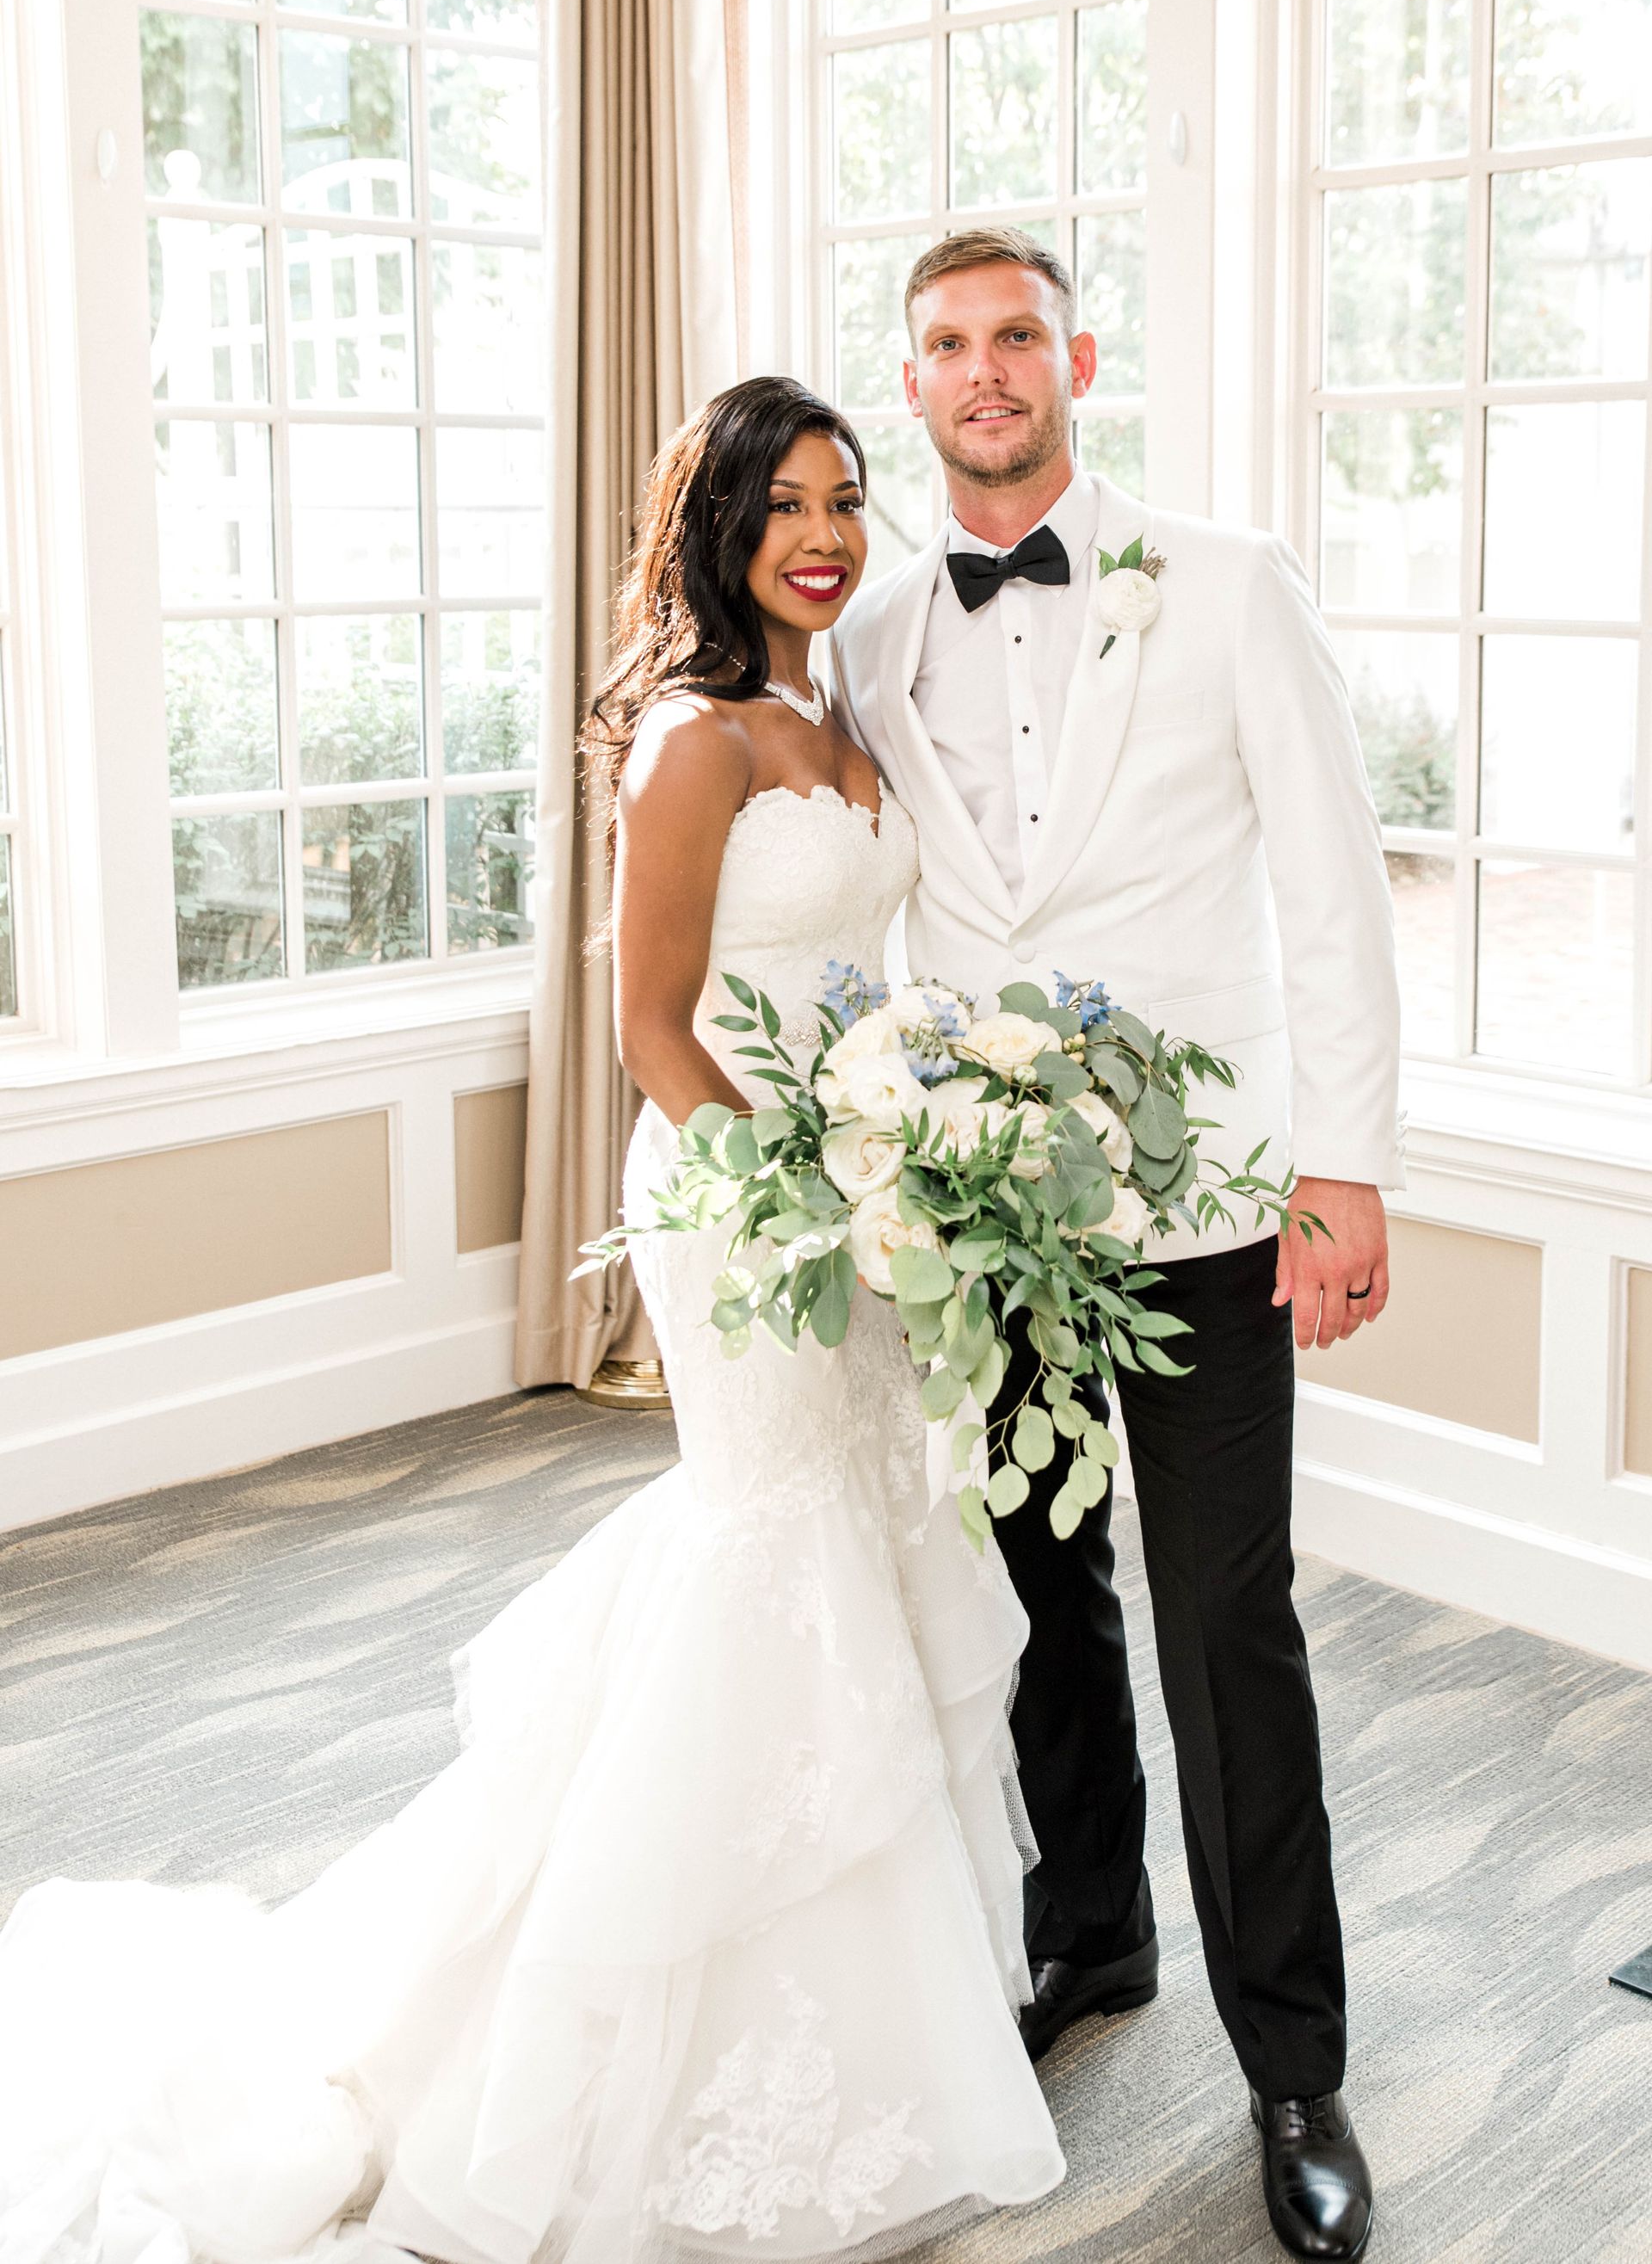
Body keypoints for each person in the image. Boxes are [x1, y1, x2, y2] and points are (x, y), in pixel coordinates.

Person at [0, 378, 1064, 2262]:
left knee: (872, 1544)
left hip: (867, 1187)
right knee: (773, 1546)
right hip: (743, 1197)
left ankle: (889, 2016)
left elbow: (870, 965)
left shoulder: (835, 712)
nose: (822, 535)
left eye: (843, 500)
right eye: (782, 506)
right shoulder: (690, 742)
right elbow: (655, 1024)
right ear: (719, 525)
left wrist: (917, 1150)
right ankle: (604, 2020)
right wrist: (810, 1183)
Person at [829, 225, 1402, 2264]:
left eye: (1014, 337)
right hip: (985, 1212)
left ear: (1079, 353)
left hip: (1207, 1202)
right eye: (944, 347)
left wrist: (1346, 1169)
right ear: (913, 382)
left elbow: (1335, 892)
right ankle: (1092, 1930)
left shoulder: (1232, 585)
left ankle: (1297, 2064)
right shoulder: (873, 627)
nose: (983, 374)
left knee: (1227, 1623)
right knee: (1036, 1590)